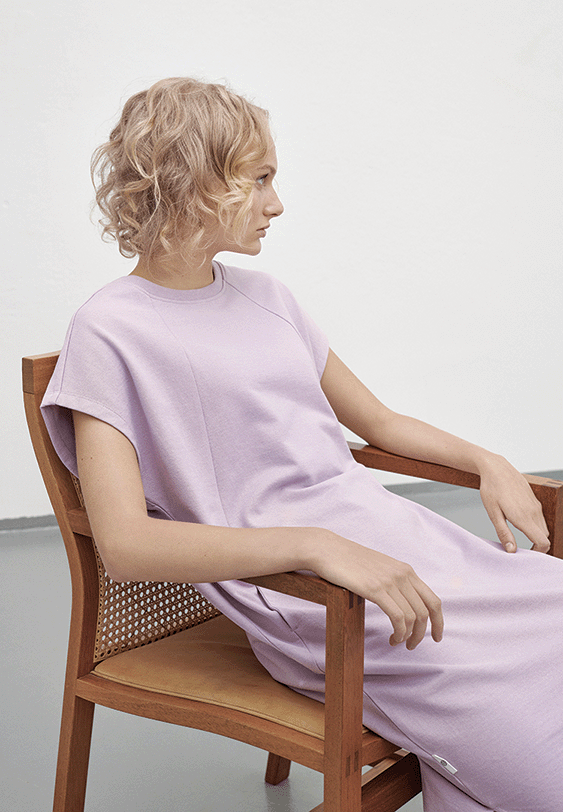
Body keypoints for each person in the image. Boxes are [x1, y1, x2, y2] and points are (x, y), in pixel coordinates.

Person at [41, 77, 563, 812]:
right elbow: (126, 544)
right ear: (194, 182)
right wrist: (316, 546)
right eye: (258, 180)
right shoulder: (108, 331)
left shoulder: (269, 299)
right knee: (516, 722)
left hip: (395, 541)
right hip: (312, 595)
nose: (275, 203)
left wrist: (487, 461)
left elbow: (377, 425)